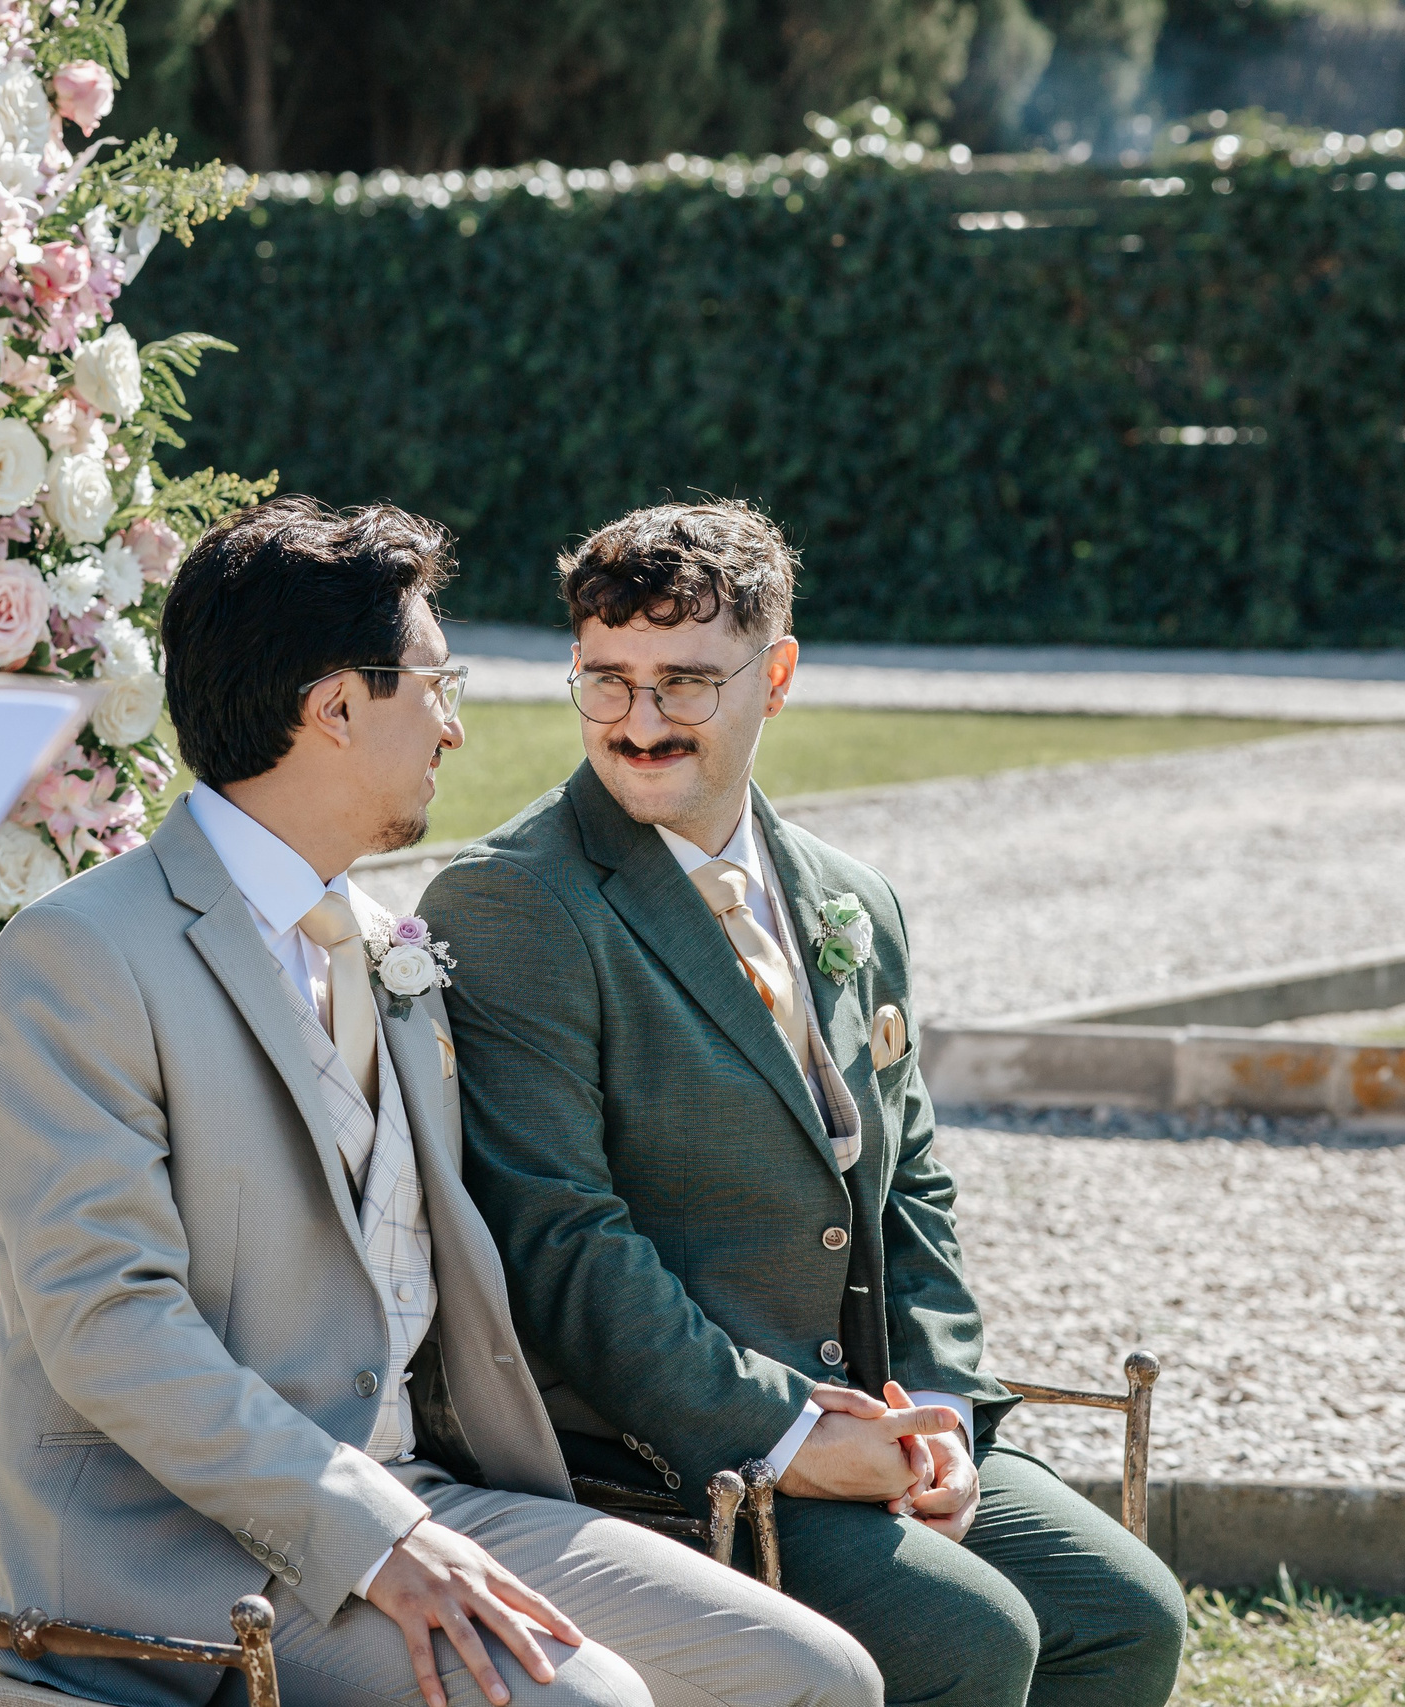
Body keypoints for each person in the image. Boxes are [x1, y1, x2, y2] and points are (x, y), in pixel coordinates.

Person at [0, 497, 879, 1707]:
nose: (454, 728)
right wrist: (370, 1534)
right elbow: (107, 1325)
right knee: (583, 1703)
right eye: (436, 685)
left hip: (426, 1497)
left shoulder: (386, 947)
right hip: (174, 1554)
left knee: (812, 1677)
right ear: (337, 707)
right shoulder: (83, 953)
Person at [418, 501, 1187, 1707]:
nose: (638, 723)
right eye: (604, 683)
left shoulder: (850, 896)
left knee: (1124, 1618)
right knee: (968, 1636)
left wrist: (933, 1411)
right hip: (661, 1454)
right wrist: (788, 1438)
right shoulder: (515, 902)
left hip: (875, 1412)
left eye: (683, 684)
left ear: (773, 676)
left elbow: (912, 1181)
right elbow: (560, 1242)